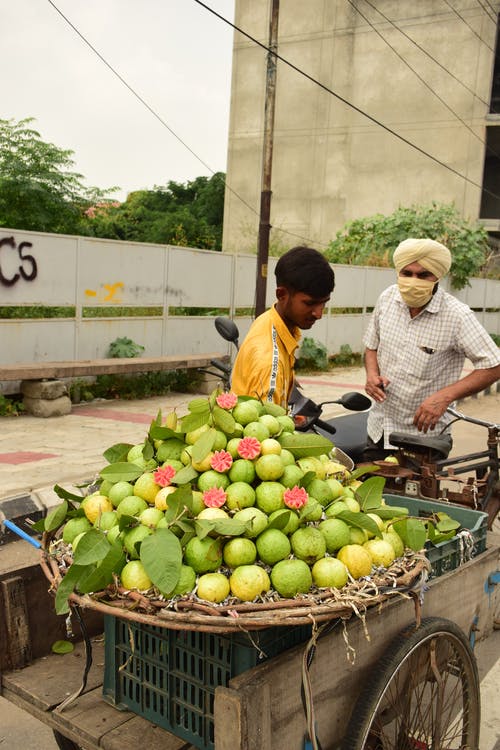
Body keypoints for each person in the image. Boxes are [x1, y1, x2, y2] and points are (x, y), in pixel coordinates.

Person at [362, 237, 500, 461]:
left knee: (414, 496)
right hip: (379, 428)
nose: (413, 281)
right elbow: (371, 347)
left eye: (423, 275)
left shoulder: (457, 316)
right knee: (368, 493)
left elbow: (493, 365)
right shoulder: (387, 299)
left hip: (425, 438)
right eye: (406, 273)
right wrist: (372, 375)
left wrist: (444, 397)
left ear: (437, 276)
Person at [231, 246, 335, 407]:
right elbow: (265, 429)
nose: (319, 313)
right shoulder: (269, 361)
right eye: (310, 303)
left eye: (324, 303)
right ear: (281, 295)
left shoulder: (268, 320)